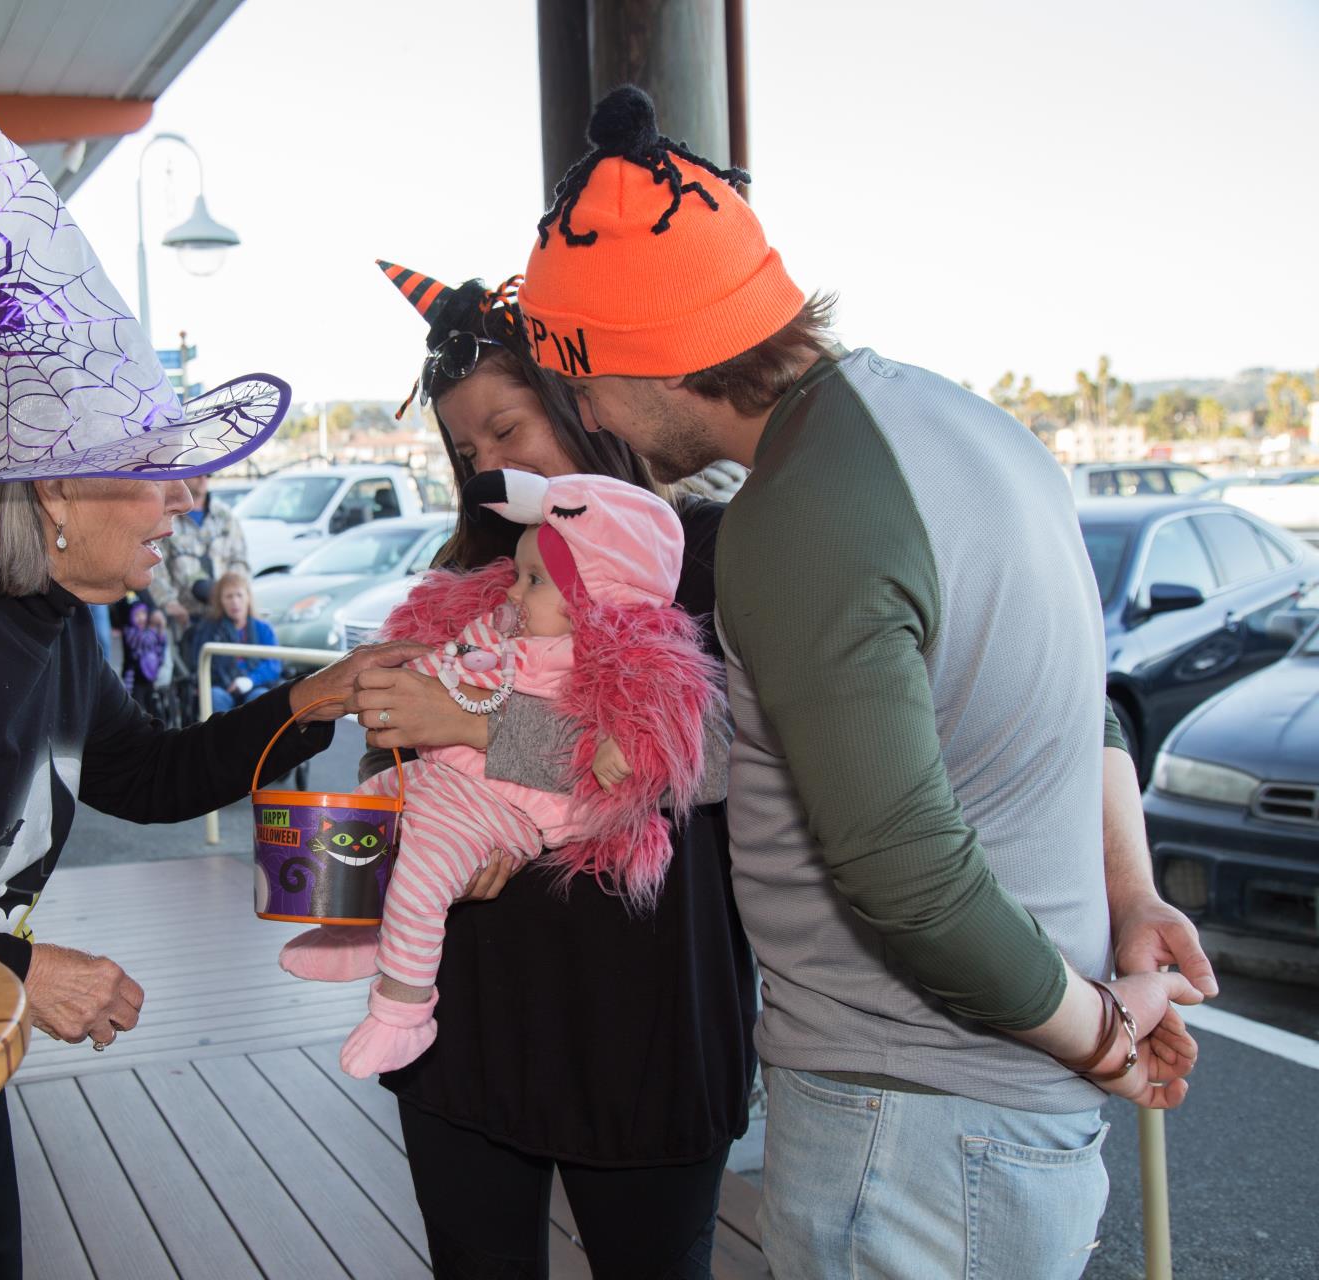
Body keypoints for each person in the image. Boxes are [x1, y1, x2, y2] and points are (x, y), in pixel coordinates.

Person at [513, 86, 1214, 1277]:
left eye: (578, 384)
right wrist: (1132, 896)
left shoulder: (796, 519)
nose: (586, 419)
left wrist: (1101, 1038)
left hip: (914, 1119)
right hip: (995, 1107)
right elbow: (1081, 701)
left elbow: (906, 881)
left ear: (649, 357)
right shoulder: (966, 428)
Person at [0, 95, 422, 1280]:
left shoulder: (53, 617)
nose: (184, 502)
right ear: (54, 493)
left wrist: (308, 704)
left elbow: (144, 776)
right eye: (156, 477)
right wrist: (22, 965)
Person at [349, 261, 752, 1278]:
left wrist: (479, 729)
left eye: (506, 427)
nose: (484, 459)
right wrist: (415, 797)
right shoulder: (465, 579)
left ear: (580, 405)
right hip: (474, 1013)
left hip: (645, 1009)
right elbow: (390, 747)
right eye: (464, 444)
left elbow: (704, 764)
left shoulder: (701, 552)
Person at [282, 472, 721, 1080]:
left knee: (424, 864)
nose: (514, 592)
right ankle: (351, 930)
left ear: (593, 594)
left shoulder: (619, 657)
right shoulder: (504, 625)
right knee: (363, 806)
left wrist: (622, 744)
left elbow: (670, 735)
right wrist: (411, 684)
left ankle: (402, 1010)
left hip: (511, 810)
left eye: (534, 581)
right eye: (517, 575)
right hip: (451, 782)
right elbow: (449, 662)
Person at [147, 470, 249, 634]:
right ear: (184, 476)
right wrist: (168, 602)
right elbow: (156, 564)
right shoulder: (169, 517)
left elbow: (239, 559)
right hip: (185, 615)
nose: (203, 479)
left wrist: (234, 595)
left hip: (224, 614)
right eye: (197, 474)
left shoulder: (224, 516)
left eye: (208, 474)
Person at [190, 570, 282, 710]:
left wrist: (250, 680)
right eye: (229, 596)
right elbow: (201, 664)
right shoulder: (209, 629)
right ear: (220, 601)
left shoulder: (263, 628)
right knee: (214, 696)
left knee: (262, 697)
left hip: (255, 687)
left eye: (239, 595)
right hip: (222, 689)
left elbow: (274, 664)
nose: (235, 601)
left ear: (248, 597)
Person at [118, 597, 169, 709]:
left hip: (149, 679)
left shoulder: (148, 631)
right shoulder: (129, 633)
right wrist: (155, 628)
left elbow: (159, 648)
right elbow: (146, 641)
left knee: (152, 707)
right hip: (135, 680)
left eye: (143, 613)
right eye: (137, 615)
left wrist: (160, 632)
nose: (141, 618)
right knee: (137, 707)